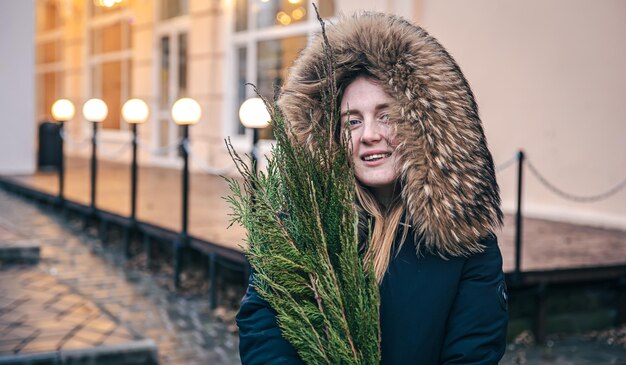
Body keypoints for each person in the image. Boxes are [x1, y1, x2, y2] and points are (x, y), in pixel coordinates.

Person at [237, 11, 508, 365]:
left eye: (387, 116)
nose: (369, 135)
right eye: (352, 120)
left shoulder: (465, 243)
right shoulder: (301, 229)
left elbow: (473, 352)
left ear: (424, 126)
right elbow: (263, 331)